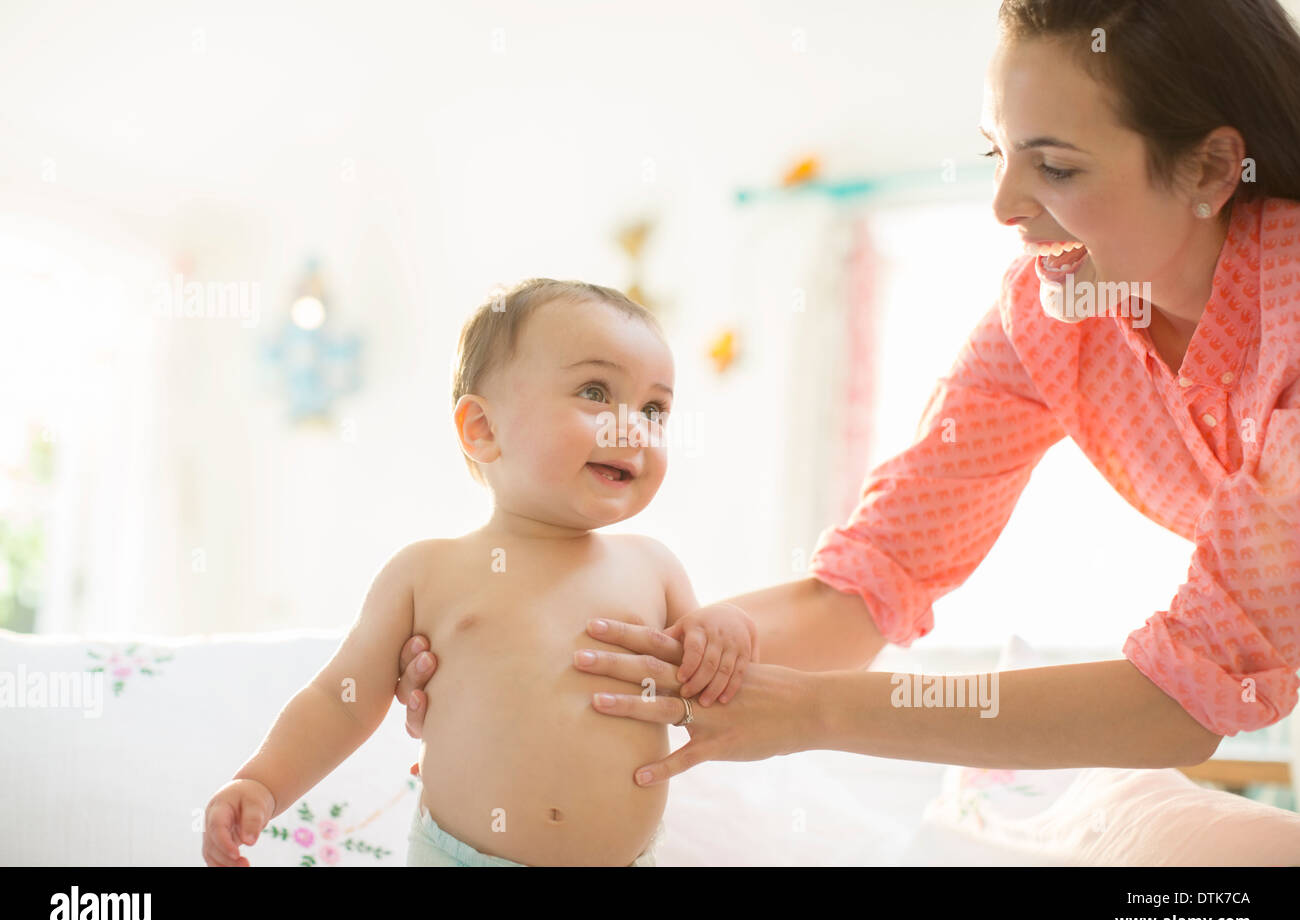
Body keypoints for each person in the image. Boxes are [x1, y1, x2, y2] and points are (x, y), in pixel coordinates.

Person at [396, 0, 1300, 793]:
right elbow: (870, 585)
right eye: (999, 153)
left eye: (1055, 168)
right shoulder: (1052, 313)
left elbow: (1184, 701)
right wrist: (566, 653)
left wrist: (817, 713)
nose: (1003, 206)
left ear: (1214, 171)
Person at [201, 279, 754, 867]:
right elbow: (341, 700)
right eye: (595, 392)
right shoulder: (427, 571)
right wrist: (263, 782)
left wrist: (727, 628)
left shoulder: (654, 567)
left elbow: (713, 688)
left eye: (653, 409)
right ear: (483, 429)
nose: (632, 429)